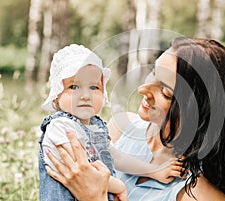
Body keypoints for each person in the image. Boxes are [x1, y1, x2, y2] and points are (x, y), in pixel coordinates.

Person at [46, 37, 225, 201]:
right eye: (153, 72)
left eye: (165, 91)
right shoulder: (120, 129)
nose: (143, 89)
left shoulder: (199, 195)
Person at [39, 44, 184, 201]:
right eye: (74, 87)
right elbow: (85, 174)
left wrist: (154, 171)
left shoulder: (94, 127)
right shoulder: (60, 126)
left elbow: (118, 158)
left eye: (94, 87)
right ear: (56, 95)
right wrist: (119, 187)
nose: (86, 95)